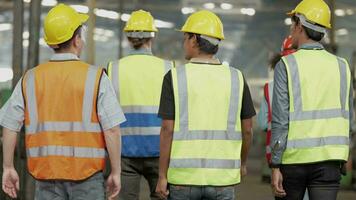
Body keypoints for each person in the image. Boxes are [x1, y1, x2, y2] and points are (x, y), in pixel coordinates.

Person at [0, 4, 125, 200]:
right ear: (77, 40)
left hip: (46, 178)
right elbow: (112, 130)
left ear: (51, 43)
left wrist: (8, 167)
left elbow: (9, 125)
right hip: (87, 177)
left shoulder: (30, 79)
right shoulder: (96, 77)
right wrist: (116, 172)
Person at [155, 10, 255, 200]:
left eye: (185, 37)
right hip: (222, 180)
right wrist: (241, 163)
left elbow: (167, 129)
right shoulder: (236, 78)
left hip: (183, 179)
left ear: (194, 40)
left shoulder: (175, 77)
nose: (183, 43)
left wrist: (162, 175)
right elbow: (248, 130)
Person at [270, 0, 353, 199]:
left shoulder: (287, 65)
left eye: (293, 23)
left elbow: (281, 120)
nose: (291, 29)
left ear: (299, 25)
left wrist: (275, 163)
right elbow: (348, 116)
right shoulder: (342, 66)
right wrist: (344, 154)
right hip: (329, 160)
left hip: (294, 162)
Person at [106, 10, 173, 200]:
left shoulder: (114, 68)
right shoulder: (168, 67)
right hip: (160, 151)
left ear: (128, 37)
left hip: (125, 151)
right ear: (153, 36)